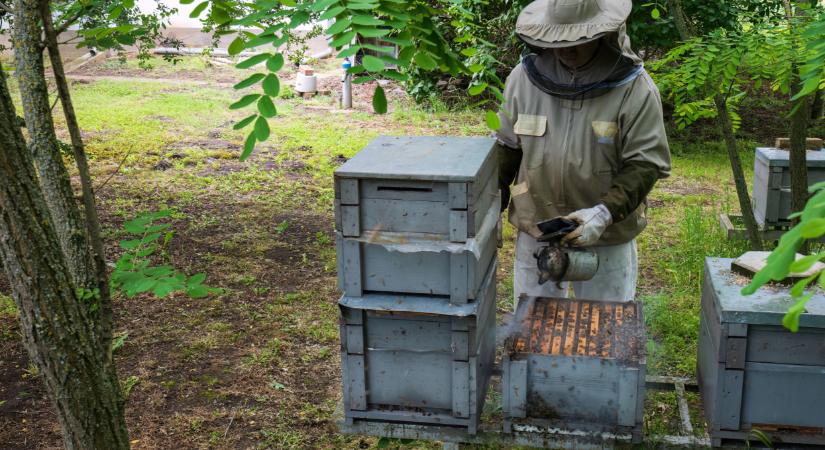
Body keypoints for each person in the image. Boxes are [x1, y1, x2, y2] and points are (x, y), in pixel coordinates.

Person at [495, 0, 672, 304]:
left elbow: (645, 163)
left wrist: (602, 215)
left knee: (606, 329)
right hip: (537, 226)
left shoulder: (635, 88)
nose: (567, 48)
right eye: (558, 38)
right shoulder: (522, 80)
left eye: (578, 40)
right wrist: (488, 209)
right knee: (534, 328)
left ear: (602, 34)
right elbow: (506, 150)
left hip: (605, 234)